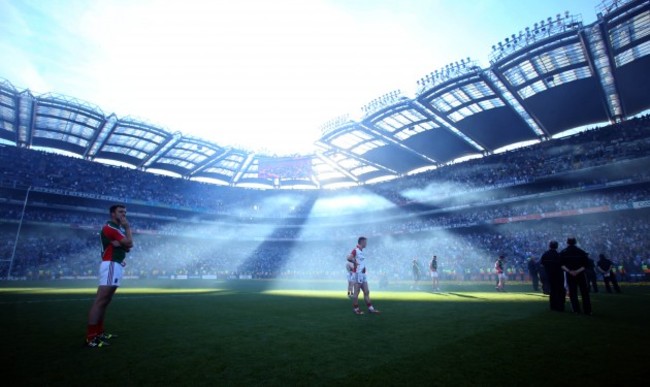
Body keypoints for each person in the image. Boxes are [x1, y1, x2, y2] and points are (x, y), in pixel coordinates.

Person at [85, 204, 134, 347]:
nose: (124, 214)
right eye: (120, 212)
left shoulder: (116, 229)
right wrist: (128, 228)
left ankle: (99, 332)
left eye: (125, 212)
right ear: (113, 214)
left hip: (116, 264)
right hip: (111, 263)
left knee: (105, 301)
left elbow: (127, 247)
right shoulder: (111, 228)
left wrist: (123, 244)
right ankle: (91, 337)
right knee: (101, 301)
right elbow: (129, 243)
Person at [347, 237, 380, 315]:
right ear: (362, 242)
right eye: (365, 242)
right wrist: (354, 262)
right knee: (356, 293)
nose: (366, 243)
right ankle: (356, 309)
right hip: (358, 274)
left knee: (366, 291)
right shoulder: (356, 250)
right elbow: (349, 258)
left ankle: (371, 309)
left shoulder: (361, 251)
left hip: (363, 274)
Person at [560, 237, 592, 315]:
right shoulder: (581, 252)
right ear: (575, 242)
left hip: (570, 274)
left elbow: (561, 265)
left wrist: (570, 271)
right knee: (584, 292)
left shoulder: (563, 252)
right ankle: (587, 310)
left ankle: (576, 310)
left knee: (572, 292)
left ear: (567, 243)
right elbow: (586, 265)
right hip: (580, 274)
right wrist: (577, 271)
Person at [540, 241, 565, 311]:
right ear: (557, 246)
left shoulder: (545, 254)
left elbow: (542, 265)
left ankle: (553, 306)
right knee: (560, 291)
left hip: (549, 275)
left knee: (552, 291)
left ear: (549, 246)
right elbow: (562, 265)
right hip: (559, 275)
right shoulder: (559, 255)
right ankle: (560, 306)